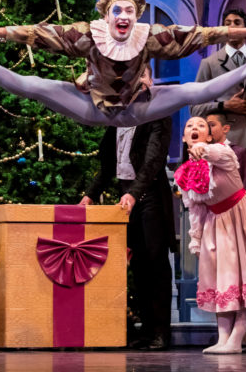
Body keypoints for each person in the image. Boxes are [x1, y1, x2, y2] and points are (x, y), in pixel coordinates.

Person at [0, 0, 246, 127]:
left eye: (129, 10)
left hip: (137, 106)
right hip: (92, 106)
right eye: (117, 11)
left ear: (136, 15)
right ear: (107, 15)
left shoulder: (150, 36)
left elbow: (202, 34)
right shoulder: (86, 34)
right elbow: (36, 33)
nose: (123, 16)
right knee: (32, 84)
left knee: (194, 91)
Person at [81, 69, 173, 351]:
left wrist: (135, 194)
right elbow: (109, 163)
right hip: (126, 196)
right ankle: (145, 329)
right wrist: (90, 194)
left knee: (156, 262)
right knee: (139, 264)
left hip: (149, 194)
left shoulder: (157, 112)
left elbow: (152, 161)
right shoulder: (117, 116)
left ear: (149, 81)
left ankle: (160, 331)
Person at [177, 116, 246, 354]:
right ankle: (223, 338)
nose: (195, 129)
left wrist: (202, 149)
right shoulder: (184, 173)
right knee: (221, 282)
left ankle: (236, 339)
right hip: (215, 224)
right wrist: (196, 237)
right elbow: (194, 208)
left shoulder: (223, 154)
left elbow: (214, 154)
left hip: (241, 218)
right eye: (190, 126)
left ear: (210, 135)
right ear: (183, 137)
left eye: (201, 126)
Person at [190, 9, 246, 178]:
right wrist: (223, 106)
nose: (232, 27)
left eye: (237, 23)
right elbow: (194, 108)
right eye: (227, 24)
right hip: (226, 136)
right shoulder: (209, 64)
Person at [206, 112, 246, 197]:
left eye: (212, 125)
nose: (209, 130)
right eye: (206, 126)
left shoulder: (238, 153)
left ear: (225, 129)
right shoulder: (203, 155)